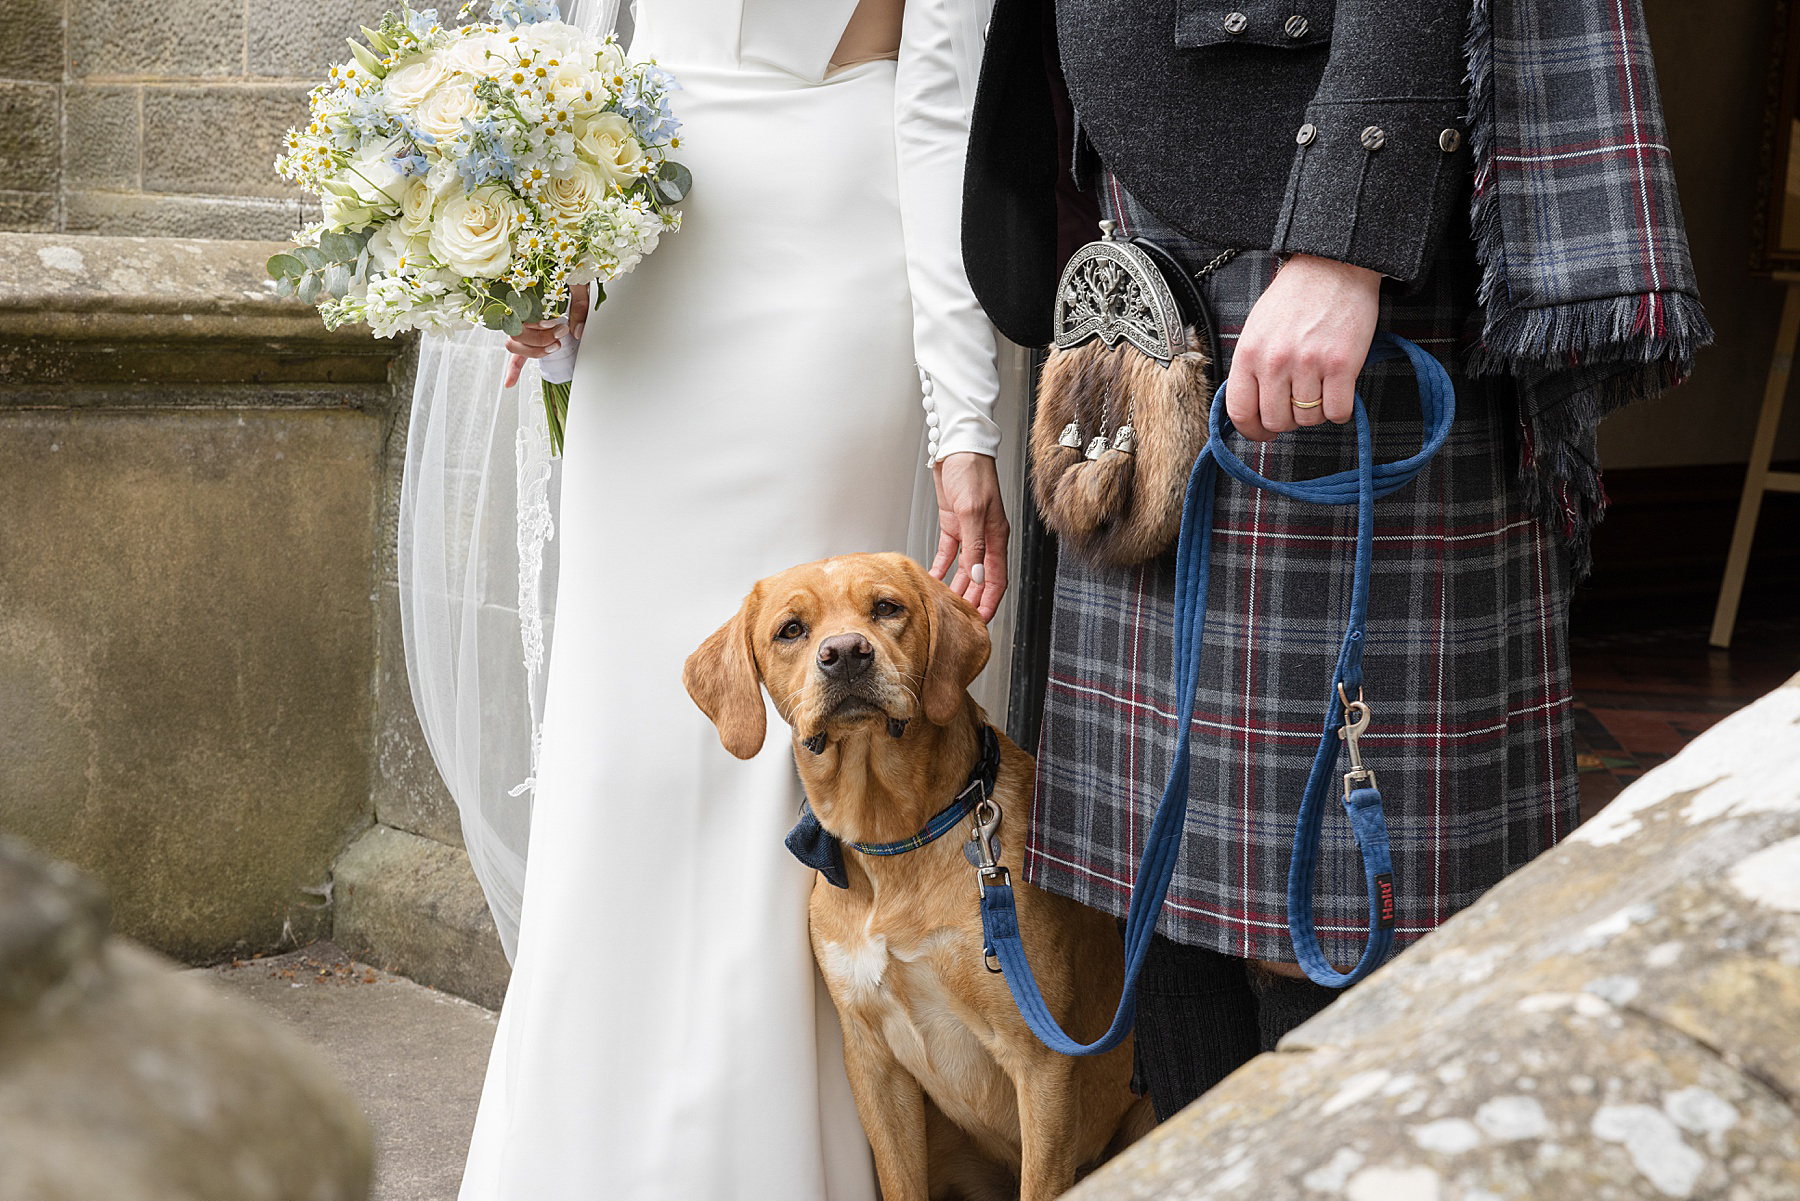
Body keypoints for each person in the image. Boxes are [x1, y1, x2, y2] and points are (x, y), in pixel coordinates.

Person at [961, 0, 1708, 1119]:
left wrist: (1348, 234)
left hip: (1316, 212)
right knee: (1157, 884)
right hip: (1148, 213)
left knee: (1357, 891)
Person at [408, 0, 1018, 1195]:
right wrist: (551, 263)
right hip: (651, 264)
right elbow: (594, 49)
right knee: (618, 733)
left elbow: (941, 107)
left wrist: (962, 425)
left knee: (792, 747)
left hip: (832, 276)